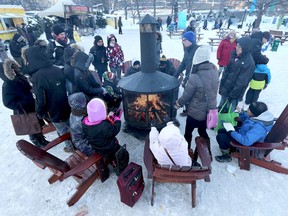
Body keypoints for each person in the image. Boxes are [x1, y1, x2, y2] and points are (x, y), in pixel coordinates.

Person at [22, 40, 73, 152]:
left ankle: (70, 147)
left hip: (53, 109)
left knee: (62, 129)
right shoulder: (56, 69)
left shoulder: (37, 77)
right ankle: (77, 142)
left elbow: (40, 99)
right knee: (70, 125)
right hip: (65, 104)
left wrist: (40, 112)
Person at [174, 45, 218, 160]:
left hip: (195, 113)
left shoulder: (195, 76)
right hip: (207, 112)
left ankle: (186, 153)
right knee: (202, 131)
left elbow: (186, 96)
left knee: (188, 132)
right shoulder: (214, 72)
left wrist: (178, 104)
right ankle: (208, 154)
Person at [0, 59, 49, 147]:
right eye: (11, 69)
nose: (14, 70)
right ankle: (36, 141)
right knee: (31, 127)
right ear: (5, 72)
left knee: (37, 123)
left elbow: (27, 87)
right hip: (24, 110)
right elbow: (7, 102)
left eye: (13, 68)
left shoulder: (20, 77)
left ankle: (41, 138)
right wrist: (24, 102)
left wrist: (32, 90)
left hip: (32, 105)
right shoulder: (7, 85)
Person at [218, 37, 255, 112]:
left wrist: (232, 95)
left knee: (229, 111)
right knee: (221, 108)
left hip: (234, 93)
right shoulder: (234, 55)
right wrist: (222, 84)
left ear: (245, 47)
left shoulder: (249, 62)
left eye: (239, 46)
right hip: (226, 88)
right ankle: (218, 121)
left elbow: (242, 82)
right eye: (236, 45)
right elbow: (226, 71)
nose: (236, 48)